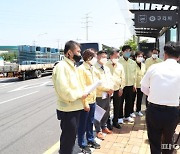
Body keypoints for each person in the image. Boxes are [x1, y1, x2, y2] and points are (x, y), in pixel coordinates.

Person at [141, 41, 180, 154]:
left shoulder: (154, 68)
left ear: (165, 54)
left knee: (154, 140)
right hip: (172, 112)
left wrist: (155, 95)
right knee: (168, 139)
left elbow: (144, 87)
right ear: (179, 56)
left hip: (154, 110)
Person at [52, 40, 88, 154]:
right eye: (78, 51)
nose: (80, 54)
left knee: (72, 136)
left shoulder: (73, 66)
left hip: (75, 107)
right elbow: (64, 91)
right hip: (67, 109)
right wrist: (80, 95)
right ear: (69, 53)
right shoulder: (62, 67)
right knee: (68, 138)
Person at [77, 49, 100, 153]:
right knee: (82, 124)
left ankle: (90, 139)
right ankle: (82, 144)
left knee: (90, 122)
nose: (96, 59)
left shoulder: (92, 68)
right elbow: (82, 88)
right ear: (89, 58)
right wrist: (85, 103)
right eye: (95, 57)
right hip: (85, 102)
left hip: (93, 100)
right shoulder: (81, 69)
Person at [94, 50, 114, 140]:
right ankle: (98, 131)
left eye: (106, 57)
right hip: (99, 94)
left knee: (106, 111)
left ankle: (104, 126)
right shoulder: (94, 68)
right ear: (98, 57)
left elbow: (110, 79)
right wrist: (107, 89)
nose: (105, 59)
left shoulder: (106, 68)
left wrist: (111, 89)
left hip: (108, 94)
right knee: (98, 113)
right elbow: (97, 84)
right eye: (103, 57)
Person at [106, 50, 125, 129]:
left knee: (117, 106)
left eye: (118, 56)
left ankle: (115, 121)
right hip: (108, 90)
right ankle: (107, 123)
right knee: (107, 107)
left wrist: (121, 88)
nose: (117, 58)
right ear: (111, 56)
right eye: (115, 56)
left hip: (117, 89)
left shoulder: (120, 66)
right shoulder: (105, 65)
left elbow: (123, 78)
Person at [118, 45, 136, 123]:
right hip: (121, 85)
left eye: (129, 51)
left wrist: (134, 84)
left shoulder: (133, 62)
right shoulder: (118, 62)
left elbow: (134, 74)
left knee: (129, 101)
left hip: (130, 85)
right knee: (120, 102)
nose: (128, 52)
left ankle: (127, 115)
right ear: (122, 52)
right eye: (126, 51)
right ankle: (120, 117)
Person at [131, 51, 146, 117]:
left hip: (141, 84)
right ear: (135, 57)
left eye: (141, 56)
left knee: (140, 98)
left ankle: (138, 110)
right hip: (134, 84)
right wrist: (133, 84)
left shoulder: (143, 65)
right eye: (139, 56)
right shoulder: (133, 64)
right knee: (132, 98)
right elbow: (132, 75)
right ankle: (131, 111)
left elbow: (144, 74)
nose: (140, 58)